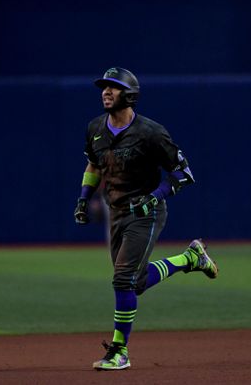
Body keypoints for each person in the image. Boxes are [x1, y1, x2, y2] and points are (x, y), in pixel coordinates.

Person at [74, 67, 218, 371]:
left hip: (147, 212)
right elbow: (93, 166)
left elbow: (184, 174)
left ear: (129, 94)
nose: (106, 92)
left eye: (113, 87)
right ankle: (189, 259)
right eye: (103, 87)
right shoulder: (95, 128)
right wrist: (83, 198)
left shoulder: (151, 132)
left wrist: (156, 196)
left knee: (122, 280)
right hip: (117, 213)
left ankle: (119, 352)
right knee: (134, 283)